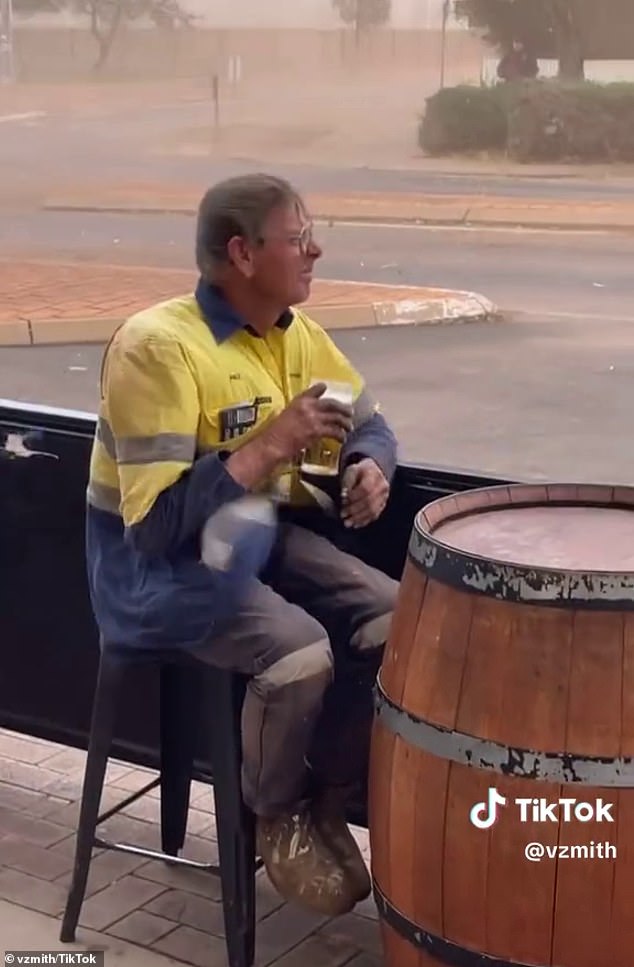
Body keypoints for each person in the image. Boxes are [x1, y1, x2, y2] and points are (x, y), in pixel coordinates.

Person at [85, 173, 399, 917]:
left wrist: (369, 467)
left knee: (401, 621)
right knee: (297, 652)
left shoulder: (295, 332)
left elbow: (371, 424)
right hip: (153, 569)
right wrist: (271, 445)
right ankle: (276, 813)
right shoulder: (156, 348)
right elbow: (156, 528)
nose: (315, 249)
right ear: (242, 253)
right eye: (297, 238)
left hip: (253, 535)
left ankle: (324, 793)